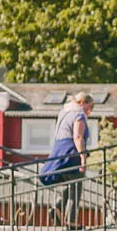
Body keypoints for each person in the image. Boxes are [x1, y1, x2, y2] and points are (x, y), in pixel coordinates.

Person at [40, 92, 93, 224]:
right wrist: (83, 158)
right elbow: (78, 137)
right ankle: (71, 220)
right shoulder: (78, 114)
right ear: (82, 102)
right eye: (89, 107)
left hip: (59, 152)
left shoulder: (64, 112)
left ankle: (57, 207)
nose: (90, 111)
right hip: (71, 154)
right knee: (76, 187)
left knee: (69, 184)